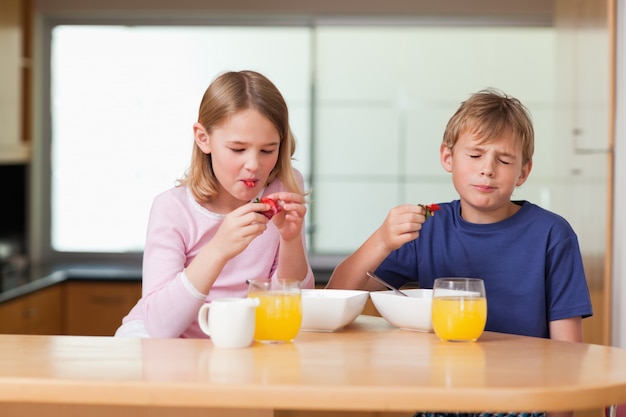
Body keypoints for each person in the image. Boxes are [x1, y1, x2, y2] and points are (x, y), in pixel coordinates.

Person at [326, 88, 592, 417]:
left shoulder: (553, 235)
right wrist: (381, 240)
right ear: (448, 157)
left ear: (523, 171)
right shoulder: (428, 226)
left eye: (504, 159)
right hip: (442, 397)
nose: (488, 169)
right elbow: (336, 296)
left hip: (523, 401)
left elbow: (567, 355)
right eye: (475, 155)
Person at [115, 70, 314, 338]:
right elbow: (160, 327)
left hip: (246, 335)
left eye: (268, 150)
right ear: (203, 138)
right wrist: (218, 250)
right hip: (166, 339)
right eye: (238, 149)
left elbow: (292, 303)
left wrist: (290, 241)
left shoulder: (285, 187)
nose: (254, 165)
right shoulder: (172, 209)